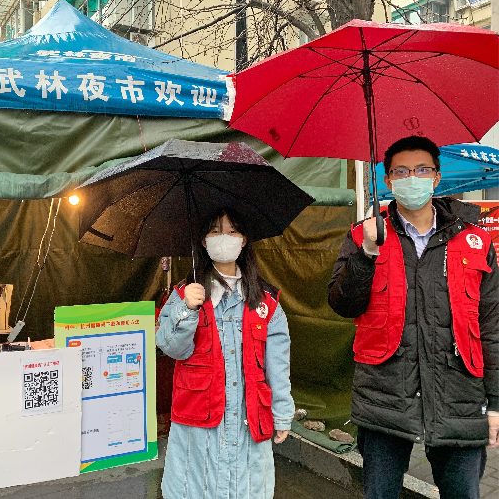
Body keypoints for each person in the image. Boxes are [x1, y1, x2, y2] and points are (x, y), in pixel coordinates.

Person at [328, 136, 499, 499]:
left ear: (437, 177)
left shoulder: (476, 242)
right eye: (401, 171)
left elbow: (492, 328)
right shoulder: (363, 235)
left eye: (422, 170)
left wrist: (496, 404)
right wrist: (367, 253)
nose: (412, 178)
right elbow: (343, 305)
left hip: (459, 398)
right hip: (384, 398)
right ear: (388, 181)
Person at [156, 208, 294, 499]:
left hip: (248, 423)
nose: (224, 238)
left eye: (233, 231)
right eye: (215, 231)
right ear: (203, 241)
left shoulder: (266, 301)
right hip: (199, 430)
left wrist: (282, 413)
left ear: (244, 240)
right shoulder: (184, 294)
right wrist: (187, 309)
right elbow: (171, 348)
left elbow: (277, 364)